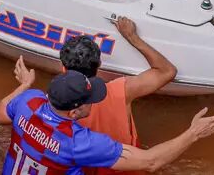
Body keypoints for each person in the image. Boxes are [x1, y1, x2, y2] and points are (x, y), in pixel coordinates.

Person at [0, 64, 214, 173]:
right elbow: (151, 161)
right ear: (74, 112)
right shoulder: (78, 143)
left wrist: (23, 85)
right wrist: (193, 133)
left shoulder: (28, 101)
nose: (96, 101)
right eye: (91, 99)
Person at [60, 17, 178, 174]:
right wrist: (132, 37)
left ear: (63, 68)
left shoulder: (55, 104)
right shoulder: (122, 90)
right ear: (99, 65)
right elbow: (167, 71)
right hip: (129, 167)